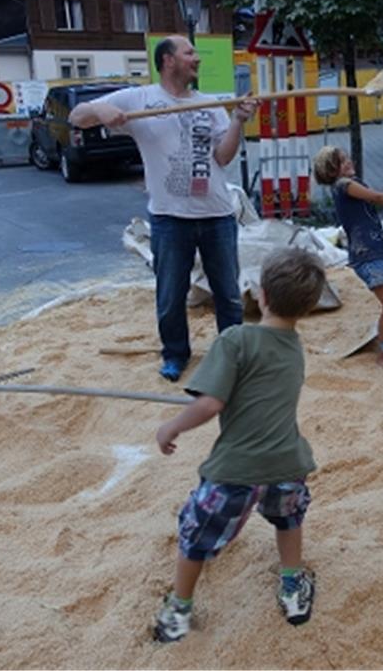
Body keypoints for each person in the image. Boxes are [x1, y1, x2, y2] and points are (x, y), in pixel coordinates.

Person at [151, 247, 328, 642]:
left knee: (196, 537)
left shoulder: (235, 340)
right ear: (309, 307)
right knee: (288, 519)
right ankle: (292, 588)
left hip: (235, 472)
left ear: (260, 294)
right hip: (287, 463)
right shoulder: (294, 347)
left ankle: (179, 610)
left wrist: (173, 426)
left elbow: (212, 403)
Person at [70, 35, 258, 382]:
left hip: (217, 215)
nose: (197, 59)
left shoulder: (210, 103)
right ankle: (175, 354)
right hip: (170, 220)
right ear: (168, 60)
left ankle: (232, 355)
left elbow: (223, 158)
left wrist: (237, 121)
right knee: (170, 296)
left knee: (229, 295)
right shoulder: (139, 99)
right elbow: (76, 115)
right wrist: (100, 110)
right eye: (190, 53)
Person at [313, 146, 383, 373]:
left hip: (381, 250)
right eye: (341, 162)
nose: (348, 162)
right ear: (331, 171)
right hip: (366, 254)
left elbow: (380, 197)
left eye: (347, 158)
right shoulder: (344, 185)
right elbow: (378, 197)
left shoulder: (354, 184)